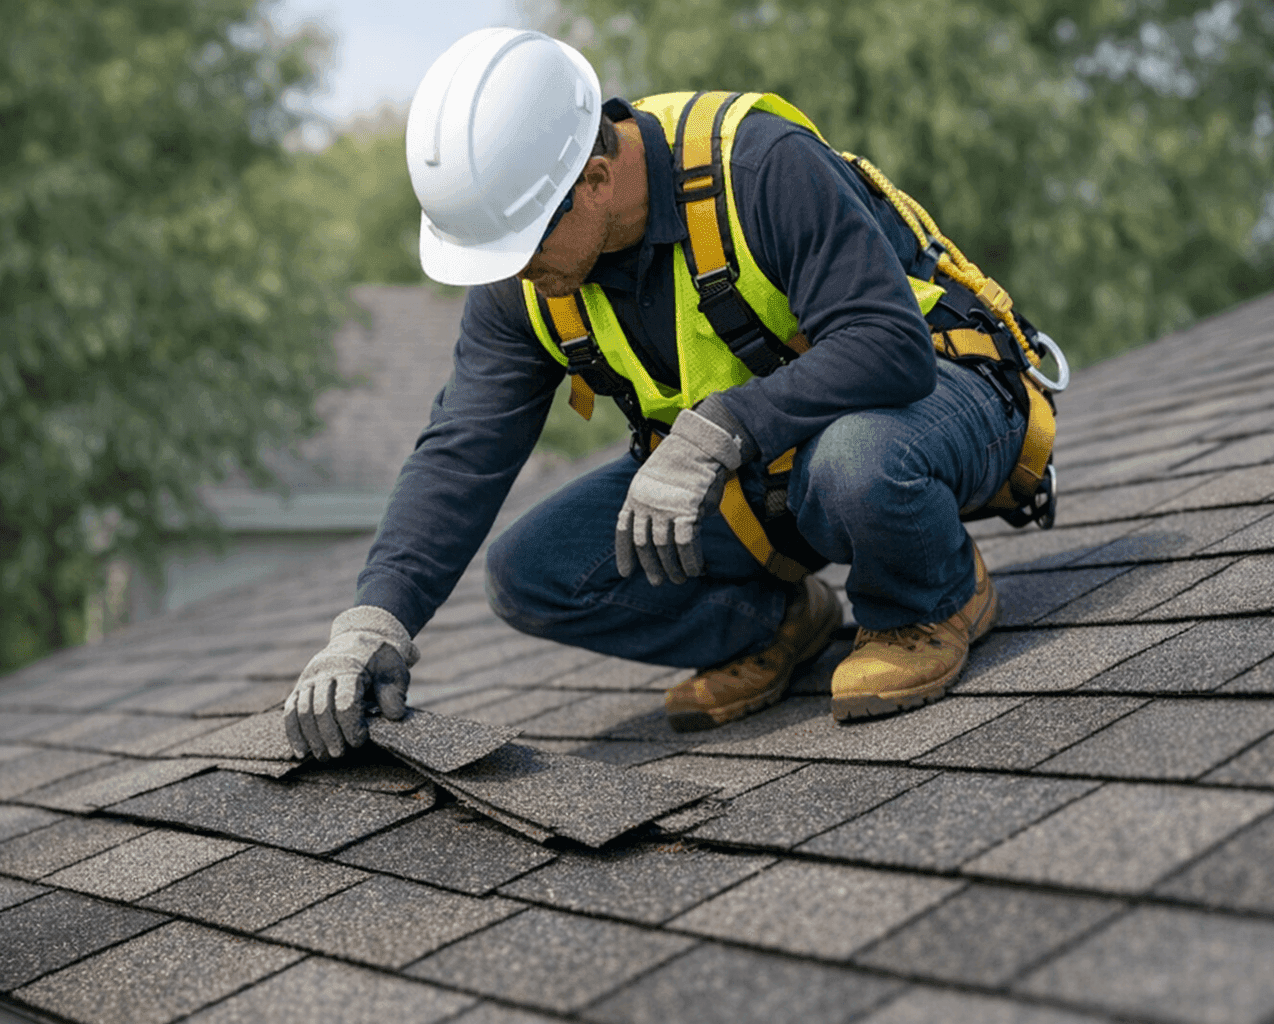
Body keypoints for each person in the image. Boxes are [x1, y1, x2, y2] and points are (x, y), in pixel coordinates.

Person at [283, 28, 1062, 761]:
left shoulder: (756, 166)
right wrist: (373, 617)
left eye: (521, 247)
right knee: (535, 571)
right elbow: (461, 451)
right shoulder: (524, 281)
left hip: (936, 402)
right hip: (771, 461)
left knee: (856, 462)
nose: (513, 273)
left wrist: (720, 427)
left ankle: (932, 598)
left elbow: (889, 348)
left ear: (595, 177)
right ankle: (776, 627)